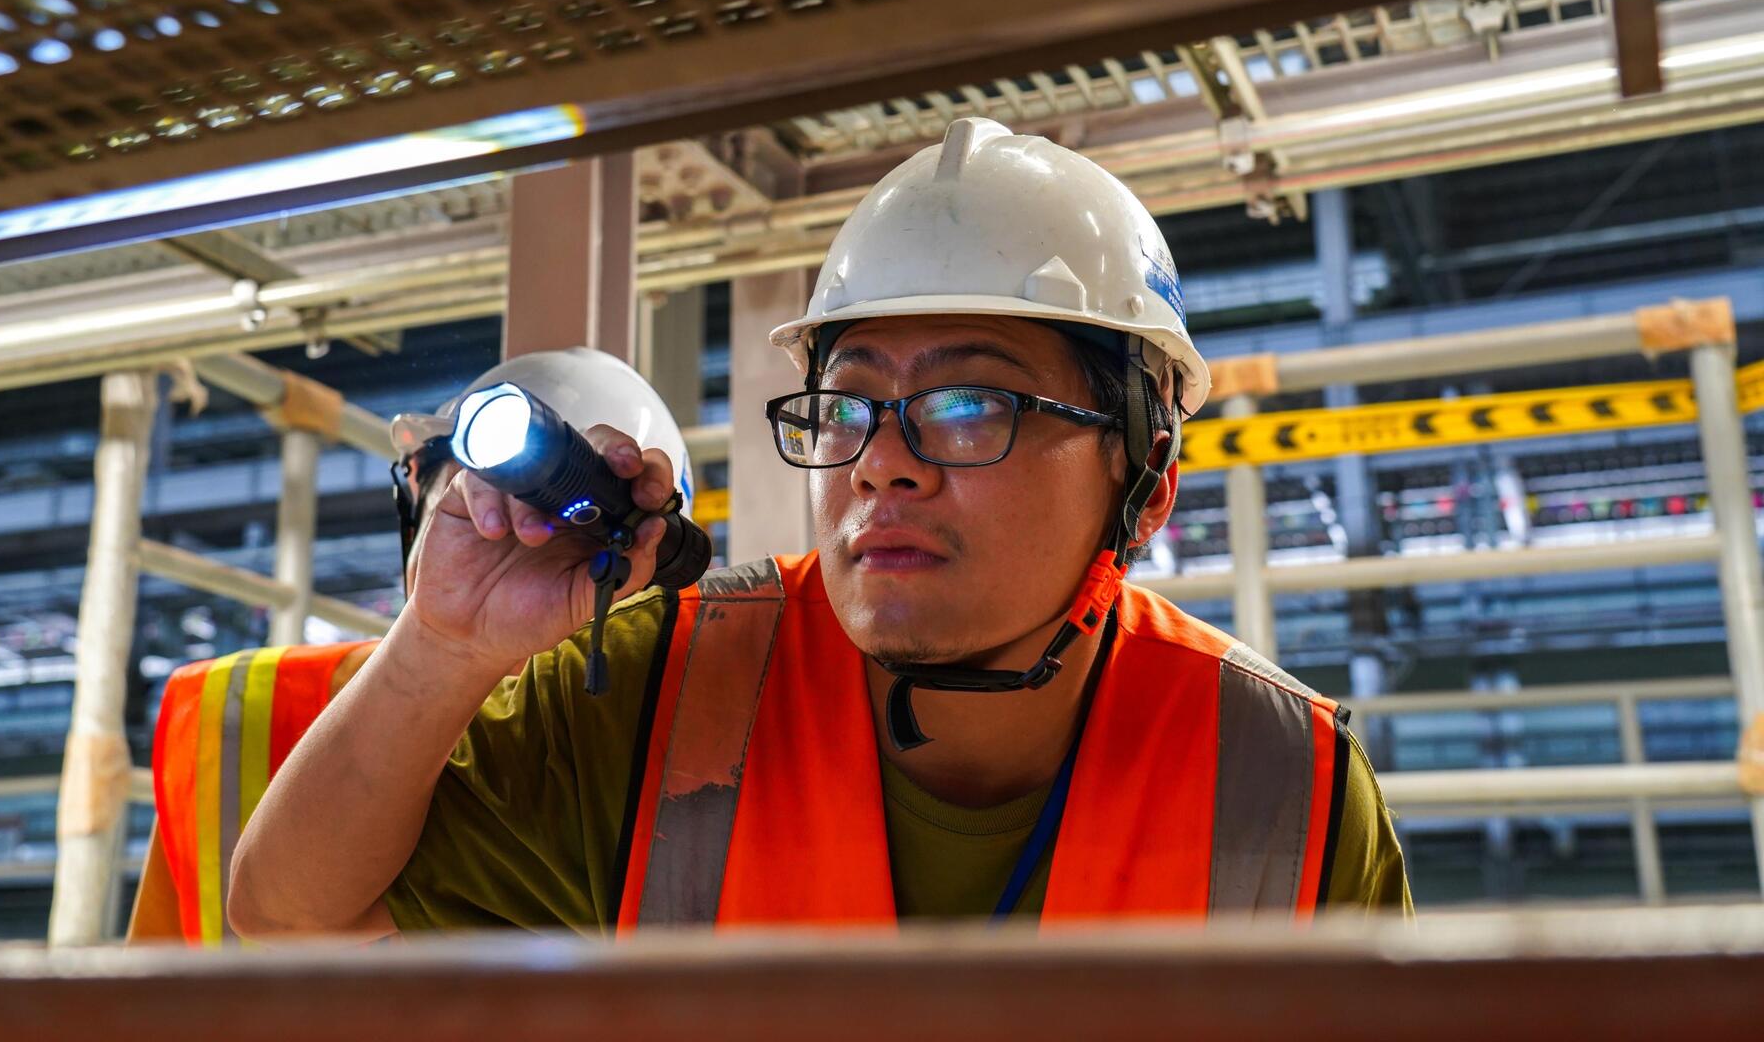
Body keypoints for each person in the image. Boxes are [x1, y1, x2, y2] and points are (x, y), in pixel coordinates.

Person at [228, 118, 1410, 936]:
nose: (882, 465)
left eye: (969, 404)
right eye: (844, 407)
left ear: (1144, 479)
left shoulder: (1280, 780)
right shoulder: (661, 692)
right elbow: (287, 913)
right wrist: (443, 645)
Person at [131, 347, 691, 943]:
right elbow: (265, 921)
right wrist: (445, 643)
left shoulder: (665, 723)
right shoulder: (245, 711)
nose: (522, 543)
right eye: (487, 501)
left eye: (569, 521)